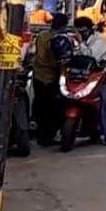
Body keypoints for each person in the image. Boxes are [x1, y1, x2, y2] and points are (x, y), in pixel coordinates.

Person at [72, 16, 106, 144]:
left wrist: (80, 43)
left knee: (104, 101)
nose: (81, 34)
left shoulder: (99, 41)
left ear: (90, 29)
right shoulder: (74, 39)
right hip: (80, 74)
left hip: (99, 75)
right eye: (79, 31)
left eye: (83, 31)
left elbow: (91, 56)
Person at [32, 14, 68, 146]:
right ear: (63, 26)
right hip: (52, 78)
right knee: (54, 109)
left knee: (40, 107)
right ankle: (48, 137)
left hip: (39, 76)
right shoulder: (60, 39)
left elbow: (38, 56)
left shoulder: (41, 36)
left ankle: (41, 135)